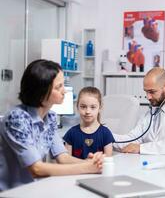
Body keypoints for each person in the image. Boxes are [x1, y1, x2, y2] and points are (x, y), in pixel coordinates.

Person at [0, 60, 103, 191]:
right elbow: (36, 169)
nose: (64, 91)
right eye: (58, 87)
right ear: (41, 92)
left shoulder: (50, 117)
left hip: (35, 189)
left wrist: (93, 163)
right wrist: (87, 168)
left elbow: (63, 158)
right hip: (13, 192)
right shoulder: (17, 118)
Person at [113, 67, 165, 154]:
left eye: (152, 92)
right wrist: (106, 136)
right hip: (150, 165)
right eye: (146, 92)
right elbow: (133, 139)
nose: (148, 97)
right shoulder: (150, 114)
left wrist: (141, 148)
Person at [63, 87, 114, 159]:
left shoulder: (106, 133)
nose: (87, 111)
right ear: (77, 107)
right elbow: (66, 161)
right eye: (83, 107)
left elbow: (108, 161)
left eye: (93, 107)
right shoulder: (71, 133)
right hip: (76, 170)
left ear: (100, 108)